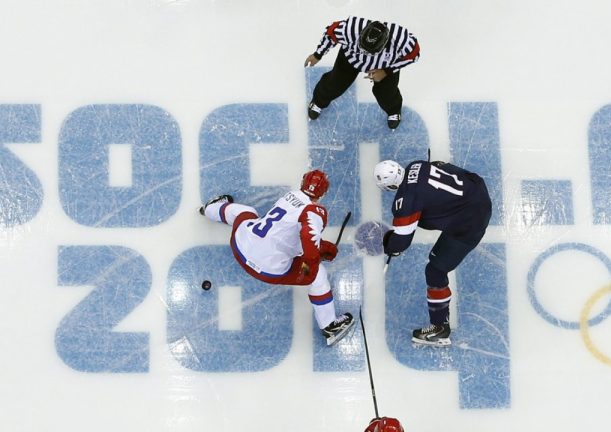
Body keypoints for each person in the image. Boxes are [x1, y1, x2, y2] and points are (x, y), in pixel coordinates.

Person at [199, 169, 355, 346]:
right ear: (324, 192)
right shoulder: (316, 211)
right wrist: (316, 257)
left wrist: (320, 248)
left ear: (302, 182)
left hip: (240, 243)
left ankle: (209, 209)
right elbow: (307, 238)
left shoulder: (290, 195)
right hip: (267, 269)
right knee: (318, 276)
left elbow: (286, 230)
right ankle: (329, 326)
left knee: (245, 212)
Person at [374, 159, 492, 346]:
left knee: (435, 271)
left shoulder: (405, 201)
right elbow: (443, 166)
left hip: (471, 221)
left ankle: (440, 329)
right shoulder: (416, 165)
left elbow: (401, 242)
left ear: (389, 186)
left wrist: (389, 244)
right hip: (477, 190)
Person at [304, 16, 421, 130]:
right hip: (351, 60)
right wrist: (317, 54)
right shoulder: (350, 28)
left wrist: (386, 71)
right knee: (334, 84)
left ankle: (393, 110)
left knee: (387, 94)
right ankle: (318, 101)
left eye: (370, 52)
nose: (364, 53)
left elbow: (414, 55)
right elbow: (331, 33)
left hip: (384, 65)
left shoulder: (401, 40)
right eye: (362, 46)